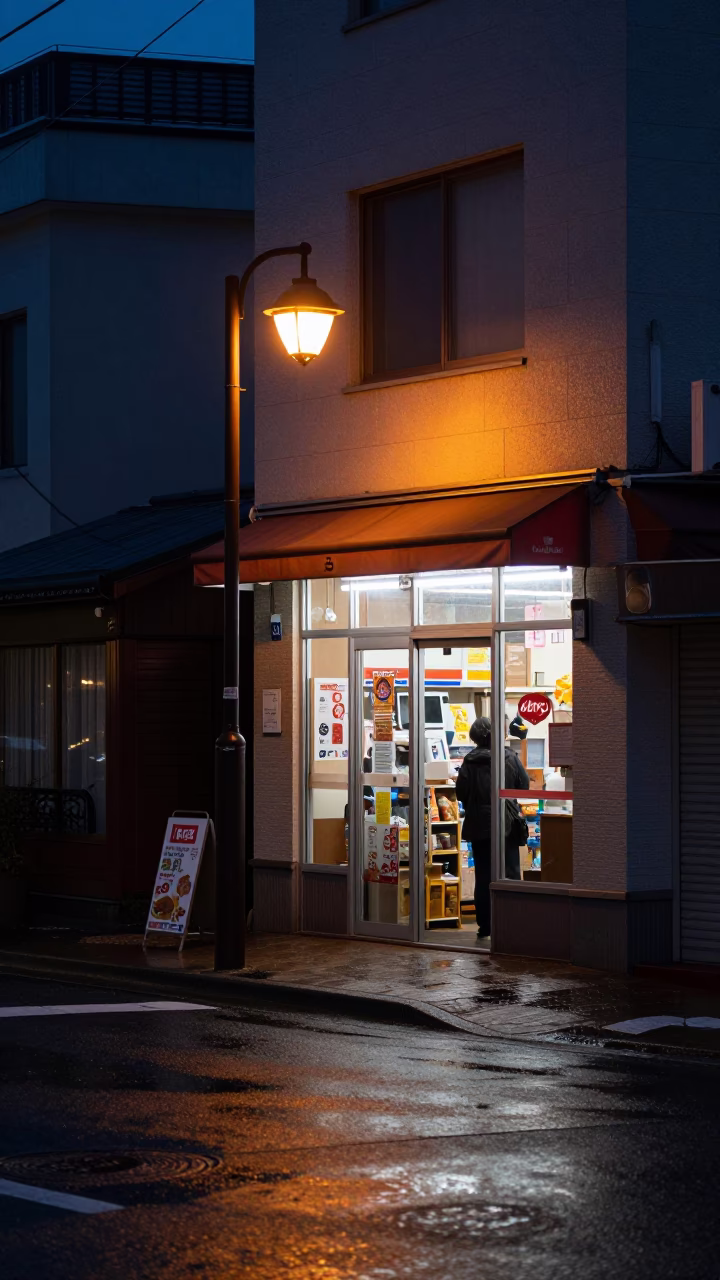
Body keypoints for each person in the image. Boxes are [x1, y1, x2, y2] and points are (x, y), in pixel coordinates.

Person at [455, 716, 530, 938]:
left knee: (484, 874)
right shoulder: (508, 756)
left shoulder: (469, 761)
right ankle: (513, 922)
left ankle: (485, 926)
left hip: (479, 824)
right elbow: (524, 786)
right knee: (510, 873)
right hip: (505, 822)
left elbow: (461, 793)